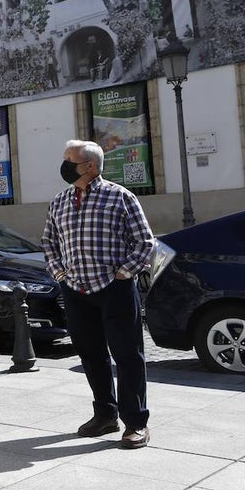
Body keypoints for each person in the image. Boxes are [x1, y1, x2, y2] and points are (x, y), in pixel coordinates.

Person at [41, 140, 154, 449]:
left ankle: (136, 424)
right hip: (76, 289)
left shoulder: (120, 197)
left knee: (127, 355)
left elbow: (144, 242)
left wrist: (123, 273)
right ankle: (105, 415)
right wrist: (60, 274)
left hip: (114, 288)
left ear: (89, 166)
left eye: (69, 159)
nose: (63, 164)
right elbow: (48, 242)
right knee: (91, 354)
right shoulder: (60, 201)